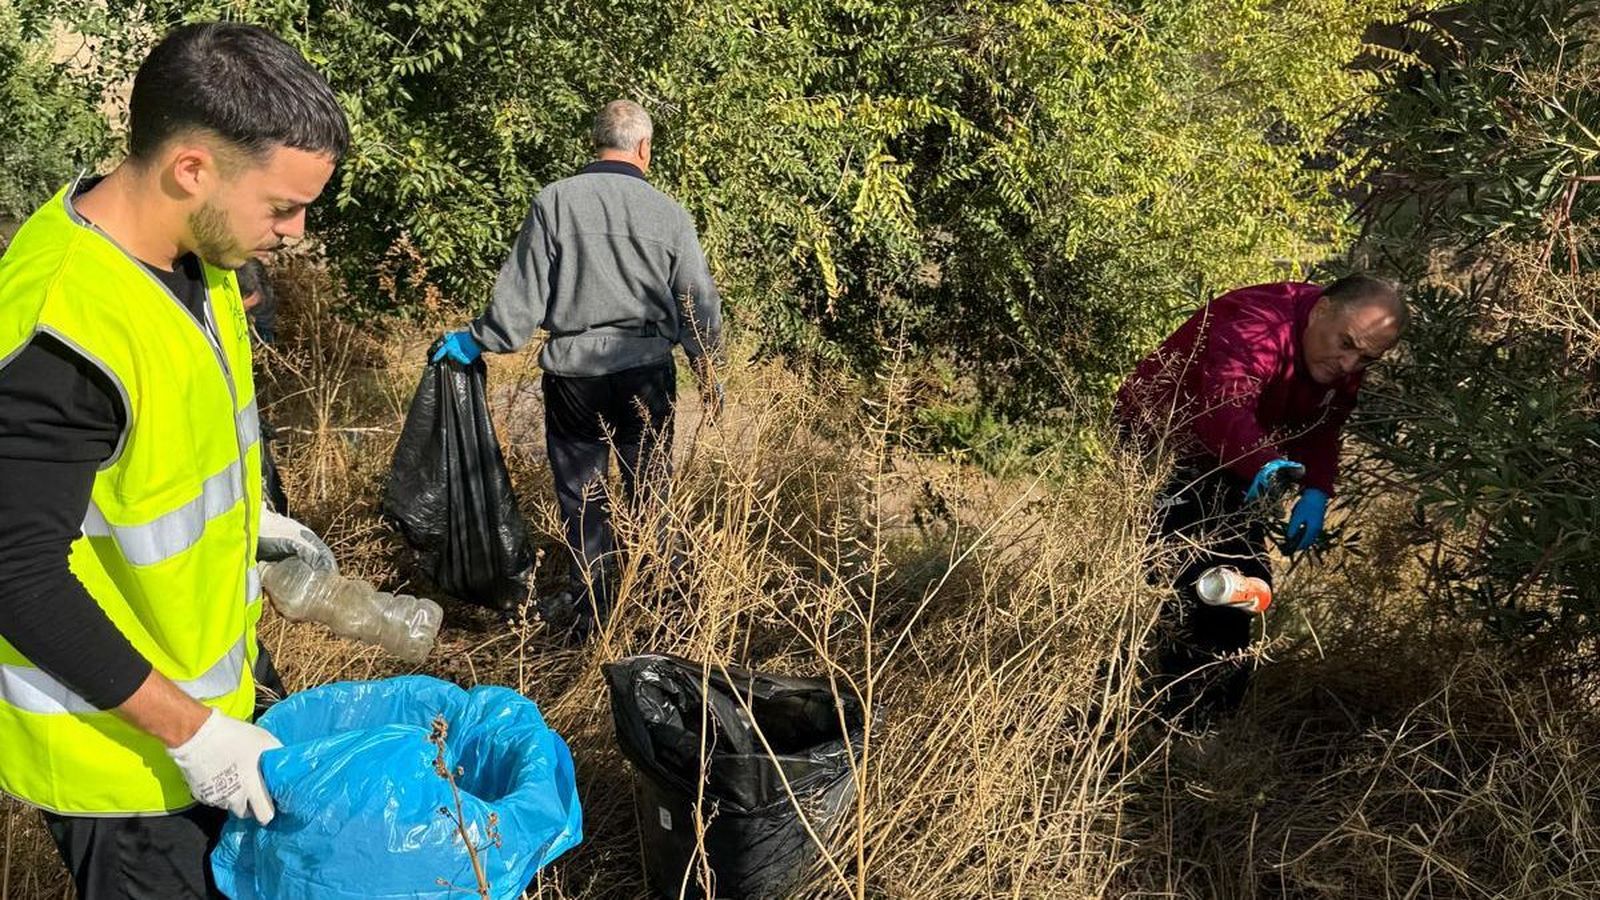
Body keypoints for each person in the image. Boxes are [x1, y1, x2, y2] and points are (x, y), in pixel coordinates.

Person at [0, 22, 347, 898]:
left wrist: (251, 529)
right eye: (282, 207)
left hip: (205, 718)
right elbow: (13, 572)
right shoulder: (65, 325)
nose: (296, 233)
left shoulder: (200, 259)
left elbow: (167, 462)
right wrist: (193, 733)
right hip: (124, 772)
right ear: (191, 167)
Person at [434, 99, 723, 634]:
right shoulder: (670, 213)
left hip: (574, 377)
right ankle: (656, 605)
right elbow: (696, 302)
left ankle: (592, 610)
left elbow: (521, 297)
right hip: (645, 372)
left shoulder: (555, 202)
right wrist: (708, 371)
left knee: (582, 494)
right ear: (644, 148)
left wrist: (480, 340)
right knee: (650, 488)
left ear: (597, 142)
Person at [1115, 275, 1407, 723]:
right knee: (1180, 578)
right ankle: (1135, 706)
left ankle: (1203, 723)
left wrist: (1317, 492)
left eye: (1367, 358)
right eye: (1346, 344)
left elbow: (1323, 428)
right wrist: (1263, 463)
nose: (1350, 364)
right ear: (1321, 309)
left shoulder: (1341, 354)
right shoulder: (1256, 322)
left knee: (1243, 586)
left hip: (1235, 459)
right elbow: (1222, 405)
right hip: (1159, 448)